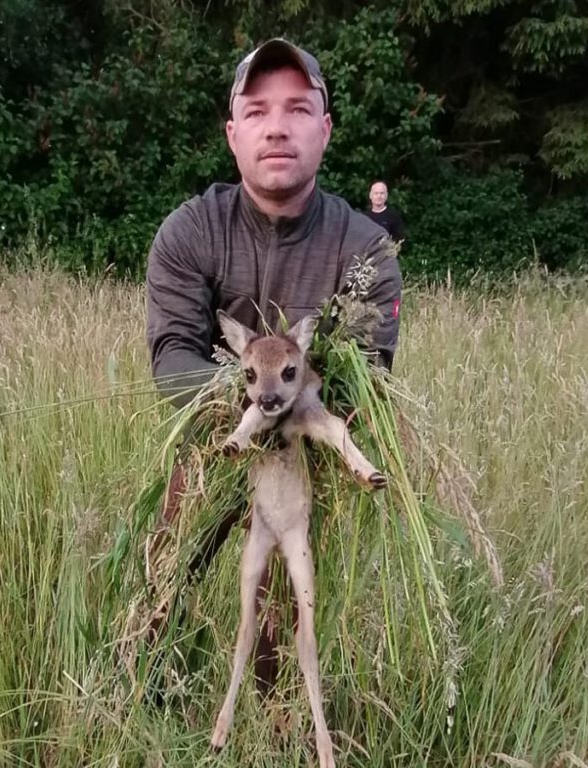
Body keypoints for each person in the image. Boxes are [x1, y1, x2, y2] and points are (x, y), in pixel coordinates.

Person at [143, 37, 402, 694]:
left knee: (281, 629)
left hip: (302, 462)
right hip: (216, 442)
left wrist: (293, 421)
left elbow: (367, 374)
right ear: (233, 134)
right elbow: (172, 355)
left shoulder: (367, 248)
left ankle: (281, 725)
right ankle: (147, 691)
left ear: (325, 128)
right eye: (257, 111)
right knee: (163, 578)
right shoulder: (189, 231)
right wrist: (249, 403)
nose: (277, 127)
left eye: (297, 108)